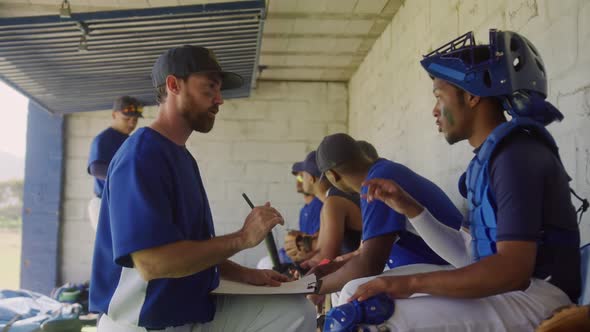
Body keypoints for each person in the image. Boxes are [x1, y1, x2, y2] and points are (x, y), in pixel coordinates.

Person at [339, 29, 580, 331]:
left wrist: (409, 283)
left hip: (538, 297)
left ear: (472, 95)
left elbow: (512, 271)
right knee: (354, 292)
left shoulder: (516, 157)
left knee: (367, 317)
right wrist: (411, 209)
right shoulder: (489, 159)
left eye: (440, 97)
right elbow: (469, 258)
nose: (435, 110)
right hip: (511, 291)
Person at [89, 45, 315, 332]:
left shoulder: (180, 156)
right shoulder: (141, 155)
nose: (219, 99)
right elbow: (152, 263)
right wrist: (243, 237)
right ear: (174, 85)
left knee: (293, 312)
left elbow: (191, 248)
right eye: (209, 88)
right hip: (144, 321)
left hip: (184, 310)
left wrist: (247, 274)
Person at [310, 133, 463, 300]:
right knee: (342, 288)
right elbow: (365, 254)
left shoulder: (376, 181)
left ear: (333, 175)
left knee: (352, 290)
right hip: (446, 262)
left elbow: (368, 265)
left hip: (455, 267)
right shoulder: (384, 170)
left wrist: (311, 287)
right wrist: (330, 270)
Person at [87, 96, 142, 230]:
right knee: (112, 249)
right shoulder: (103, 139)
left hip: (120, 203)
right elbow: (96, 169)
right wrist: (128, 175)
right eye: (126, 119)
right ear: (114, 115)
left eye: (134, 120)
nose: (131, 123)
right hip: (103, 203)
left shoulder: (130, 141)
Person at [256, 161, 322, 270]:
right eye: (298, 178)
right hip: (299, 254)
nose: (298, 182)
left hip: (310, 256)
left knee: (265, 264)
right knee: (265, 262)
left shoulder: (319, 204)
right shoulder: (305, 209)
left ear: (311, 178)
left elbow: (315, 243)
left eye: (302, 177)